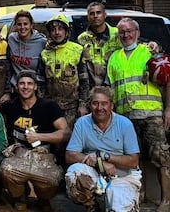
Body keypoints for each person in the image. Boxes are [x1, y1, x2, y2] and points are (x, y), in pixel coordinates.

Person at [0, 70, 70, 211]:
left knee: (51, 180)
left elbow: (65, 133)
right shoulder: (11, 105)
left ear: (35, 86)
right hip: (18, 153)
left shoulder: (49, 106)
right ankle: (20, 198)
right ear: (16, 87)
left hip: (42, 154)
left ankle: (43, 199)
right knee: (5, 169)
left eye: (29, 84)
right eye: (22, 83)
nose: (25, 87)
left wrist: (40, 137)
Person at [106, 17, 170, 211]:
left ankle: (165, 200)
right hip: (125, 118)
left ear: (137, 33)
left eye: (129, 31)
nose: (126, 35)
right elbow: (111, 87)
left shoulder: (149, 51)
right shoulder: (114, 57)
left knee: (161, 157)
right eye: (122, 32)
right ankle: (139, 193)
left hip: (151, 115)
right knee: (134, 158)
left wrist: (168, 109)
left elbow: (167, 80)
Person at [65, 86, 142, 212]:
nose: (99, 108)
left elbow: (133, 161)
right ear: (90, 105)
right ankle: (92, 205)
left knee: (120, 209)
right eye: (95, 103)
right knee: (74, 174)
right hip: (94, 171)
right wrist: (99, 162)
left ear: (111, 105)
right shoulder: (82, 123)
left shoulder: (125, 124)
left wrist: (105, 156)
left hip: (122, 175)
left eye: (104, 103)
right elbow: (70, 155)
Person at [40, 15, 90, 128]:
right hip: (51, 107)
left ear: (66, 31)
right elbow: (41, 83)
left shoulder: (77, 50)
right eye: (53, 30)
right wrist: (41, 105)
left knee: (71, 140)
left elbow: (84, 81)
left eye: (60, 29)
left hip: (72, 108)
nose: (57, 33)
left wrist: (83, 105)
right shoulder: (44, 54)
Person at [7, 9, 46, 92]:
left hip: (33, 89)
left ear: (31, 25)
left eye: (25, 24)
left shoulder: (42, 42)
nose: (22, 27)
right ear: (15, 26)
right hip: (15, 88)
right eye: (19, 24)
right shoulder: (11, 39)